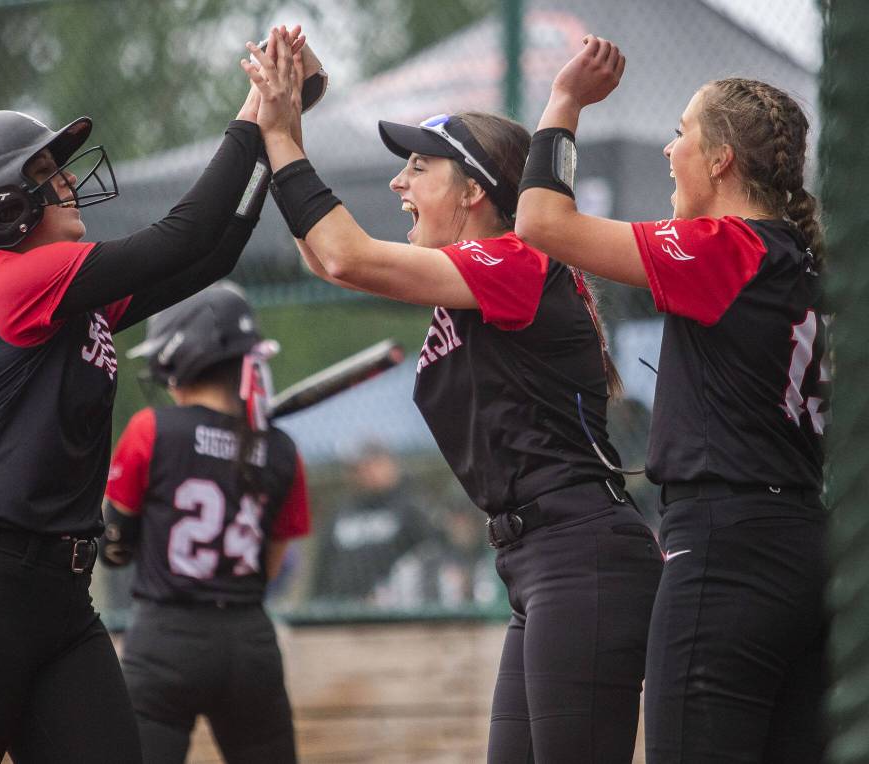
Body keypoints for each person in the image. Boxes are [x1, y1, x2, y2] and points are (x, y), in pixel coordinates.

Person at [0, 26, 305, 763]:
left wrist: (275, 131)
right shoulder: (12, 276)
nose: (65, 181)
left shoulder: (67, 299)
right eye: (43, 172)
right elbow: (184, 231)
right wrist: (251, 116)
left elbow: (216, 249)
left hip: (59, 601)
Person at [242, 41, 663, 763]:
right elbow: (326, 257)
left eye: (419, 168)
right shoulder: (475, 274)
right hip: (539, 560)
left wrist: (280, 134)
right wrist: (286, 124)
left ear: (473, 192)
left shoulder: (513, 260)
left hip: (580, 554)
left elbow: (343, 253)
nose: (400, 184)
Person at [515, 36, 829, 763]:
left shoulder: (728, 246)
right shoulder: (807, 262)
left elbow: (541, 224)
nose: (669, 149)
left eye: (683, 132)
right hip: (806, 544)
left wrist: (563, 102)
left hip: (726, 545)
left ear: (721, 159)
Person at [100, 282, 310, 764]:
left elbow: (114, 549)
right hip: (249, 641)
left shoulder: (152, 430)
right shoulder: (281, 449)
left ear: (182, 358)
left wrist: (117, 539)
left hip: (164, 640)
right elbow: (274, 562)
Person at [310, 440, 438, 603]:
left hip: (396, 611)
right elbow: (323, 567)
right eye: (354, 469)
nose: (359, 474)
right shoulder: (341, 512)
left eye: (366, 466)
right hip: (342, 611)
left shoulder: (411, 507)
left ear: (387, 464)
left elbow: (433, 557)